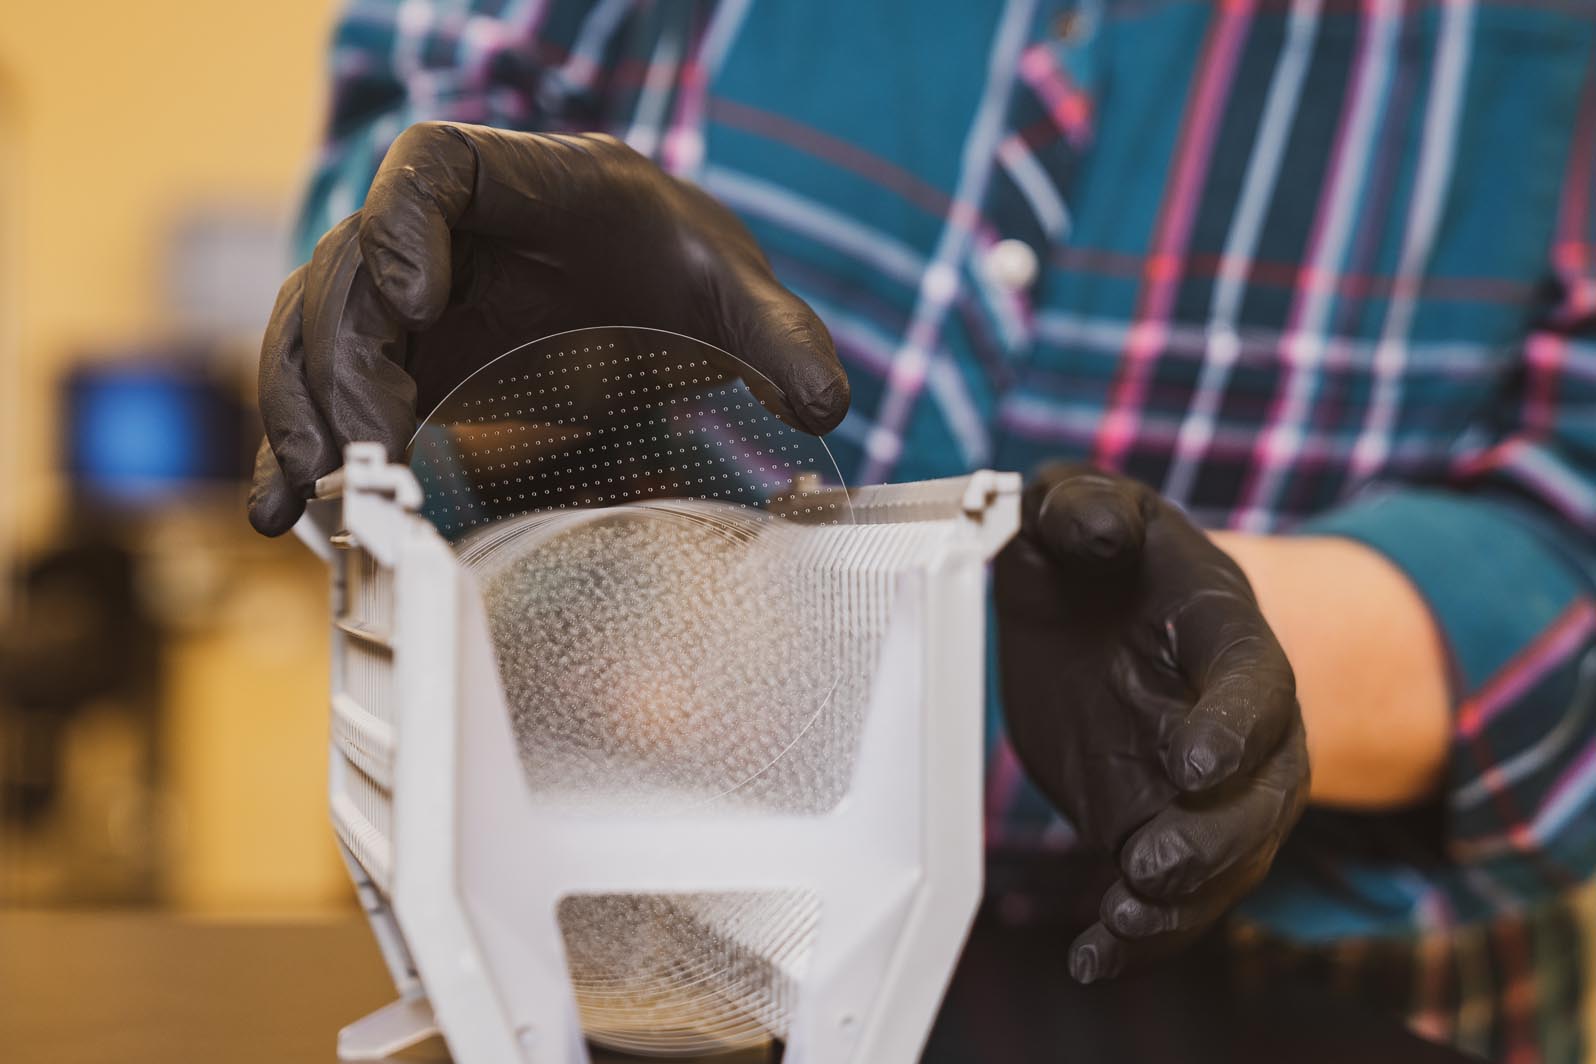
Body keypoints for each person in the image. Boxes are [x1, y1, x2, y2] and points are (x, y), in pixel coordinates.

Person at [248, 2, 1596, 1060]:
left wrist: (1161, 655)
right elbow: (418, 155)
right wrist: (487, 369)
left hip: (1323, 1008)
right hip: (602, 971)